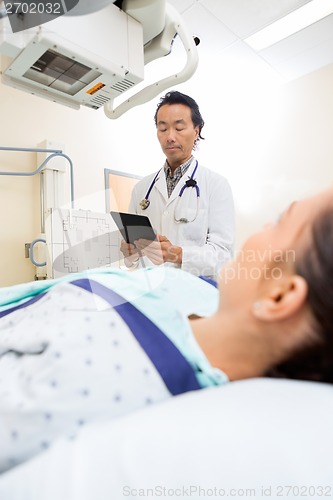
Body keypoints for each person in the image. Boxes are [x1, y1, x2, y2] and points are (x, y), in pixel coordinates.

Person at [1, 185, 333, 472]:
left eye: (279, 222)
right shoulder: (193, 300)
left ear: (280, 296)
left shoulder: (102, 369)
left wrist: (175, 253)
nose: (261, 227)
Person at [120, 90, 235, 281]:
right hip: (150, 292)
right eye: (163, 129)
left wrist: (178, 254)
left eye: (179, 128)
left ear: (196, 131)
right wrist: (129, 252)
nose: (170, 137)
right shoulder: (142, 189)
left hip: (195, 295)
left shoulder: (216, 185)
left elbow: (223, 256)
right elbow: (133, 260)